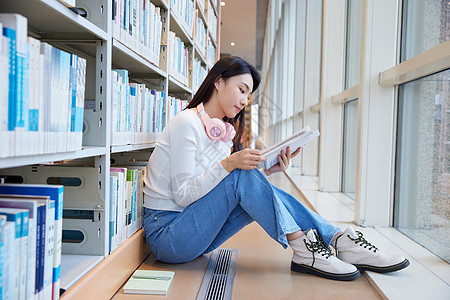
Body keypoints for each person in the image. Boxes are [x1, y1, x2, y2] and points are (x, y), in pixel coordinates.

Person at [142, 56, 409, 281]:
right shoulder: (186, 124)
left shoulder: (223, 135)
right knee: (239, 175)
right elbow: (183, 195)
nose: (245, 100)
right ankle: (311, 249)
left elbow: (220, 189)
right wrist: (230, 164)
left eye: (249, 94)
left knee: (246, 179)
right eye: (242, 89)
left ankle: (338, 240)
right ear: (219, 81)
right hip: (168, 236)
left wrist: (268, 171)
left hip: (194, 231)